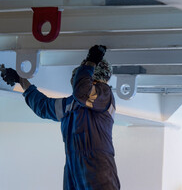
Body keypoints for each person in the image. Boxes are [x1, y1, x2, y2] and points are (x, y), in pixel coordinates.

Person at [1, 45, 121, 190]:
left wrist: (90, 62)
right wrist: (20, 80)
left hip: (98, 167)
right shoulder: (71, 104)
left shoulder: (104, 94)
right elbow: (43, 106)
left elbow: (82, 91)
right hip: (74, 166)